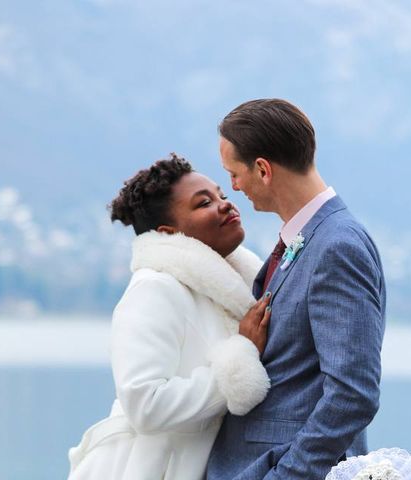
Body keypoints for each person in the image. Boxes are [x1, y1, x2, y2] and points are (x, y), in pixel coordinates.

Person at [207, 99, 387, 480]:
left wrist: (286, 476)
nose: (233, 187)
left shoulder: (338, 246)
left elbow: (353, 394)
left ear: (263, 169)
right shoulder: (311, 237)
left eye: (234, 174)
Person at [67, 154, 272, 480]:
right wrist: (241, 359)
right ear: (169, 231)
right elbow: (143, 404)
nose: (225, 205)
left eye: (223, 195)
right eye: (204, 203)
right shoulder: (153, 289)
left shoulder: (229, 289)